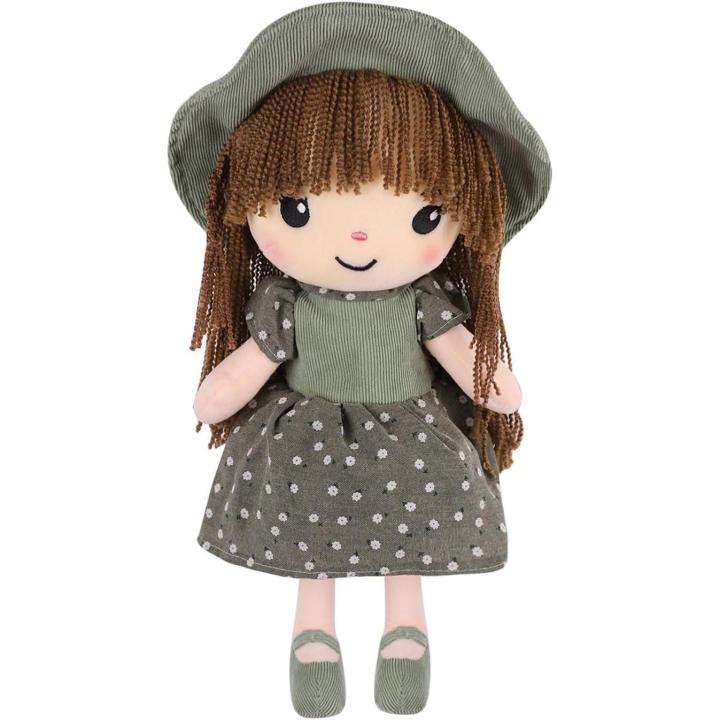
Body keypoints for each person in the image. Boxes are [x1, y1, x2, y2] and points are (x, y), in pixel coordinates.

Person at [168, 4, 551, 716]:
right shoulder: (286, 306)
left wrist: (493, 383)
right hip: (306, 448)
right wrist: (214, 396)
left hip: (411, 443)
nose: (360, 237)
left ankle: (405, 631)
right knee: (310, 537)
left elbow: (475, 368)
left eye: (422, 214)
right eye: (299, 209)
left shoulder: (423, 303)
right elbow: (241, 372)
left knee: (410, 540)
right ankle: (314, 635)